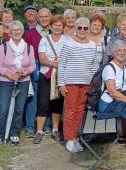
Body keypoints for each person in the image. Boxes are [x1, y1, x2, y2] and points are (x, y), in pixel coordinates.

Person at [0, 21, 36, 146]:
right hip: (6, 82)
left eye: (19, 30)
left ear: (22, 32)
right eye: (13, 30)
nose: (16, 32)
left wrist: (26, 71)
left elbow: (32, 65)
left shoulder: (28, 47)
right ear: (9, 33)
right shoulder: (3, 47)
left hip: (23, 81)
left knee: (19, 109)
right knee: (3, 108)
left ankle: (14, 133)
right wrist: (9, 74)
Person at [58, 17, 97, 153]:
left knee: (81, 111)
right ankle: (68, 138)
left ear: (88, 29)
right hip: (71, 82)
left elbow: (93, 65)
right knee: (70, 110)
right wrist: (61, 83)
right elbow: (62, 64)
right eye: (79, 27)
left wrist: (93, 83)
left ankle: (76, 137)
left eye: (85, 28)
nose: (82, 30)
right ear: (75, 28)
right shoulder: (68, 43)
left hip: (86, 82)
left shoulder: (92, 44)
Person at [34, 15, 66, 144]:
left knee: (57, 104)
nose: (57, 27)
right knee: (42, 103)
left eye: (60, 25)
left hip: (61, 76)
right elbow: (42, 59)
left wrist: (60, 65)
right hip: (46, 75)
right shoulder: (44, 40)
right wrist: (53, 64)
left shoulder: (67, 40)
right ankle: (39, 131)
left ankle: (55, 129)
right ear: (51, 26)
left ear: (63, 27)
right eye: (55, 25)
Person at [23, 8, 52, 137]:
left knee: (49, 97)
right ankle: (30, 126)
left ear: (50, 17)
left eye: (46, 16)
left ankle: (47, 124)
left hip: (51, 67)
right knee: (33, 98)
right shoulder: (30, 33)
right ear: (37, 18)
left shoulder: (55, 31)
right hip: (35, 66)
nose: (44, 19)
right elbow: (25, 52)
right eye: (41, 17)